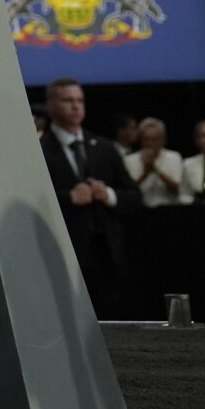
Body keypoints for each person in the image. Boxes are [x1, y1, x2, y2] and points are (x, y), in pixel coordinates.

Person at [38, 79, 139, 318]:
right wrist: (68, 198)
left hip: (107, 253)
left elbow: (135, 197)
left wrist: (109, 195)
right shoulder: (38, 150)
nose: (76, 106)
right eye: (68, 100)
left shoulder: (104, 147)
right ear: (51, 105)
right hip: (64, 252)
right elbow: (31, 201)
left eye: (80, 100)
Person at [123, 118, 183, 209]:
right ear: (140, 140)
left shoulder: (174, 157)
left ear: (163, 140)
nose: (150, 143)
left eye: (154, 140)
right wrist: (145, 174)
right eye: (146, 139)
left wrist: (156, 170)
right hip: (140, 210)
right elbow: (127, 193)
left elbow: (179, 190)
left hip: (169, 209)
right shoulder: (129, 160)